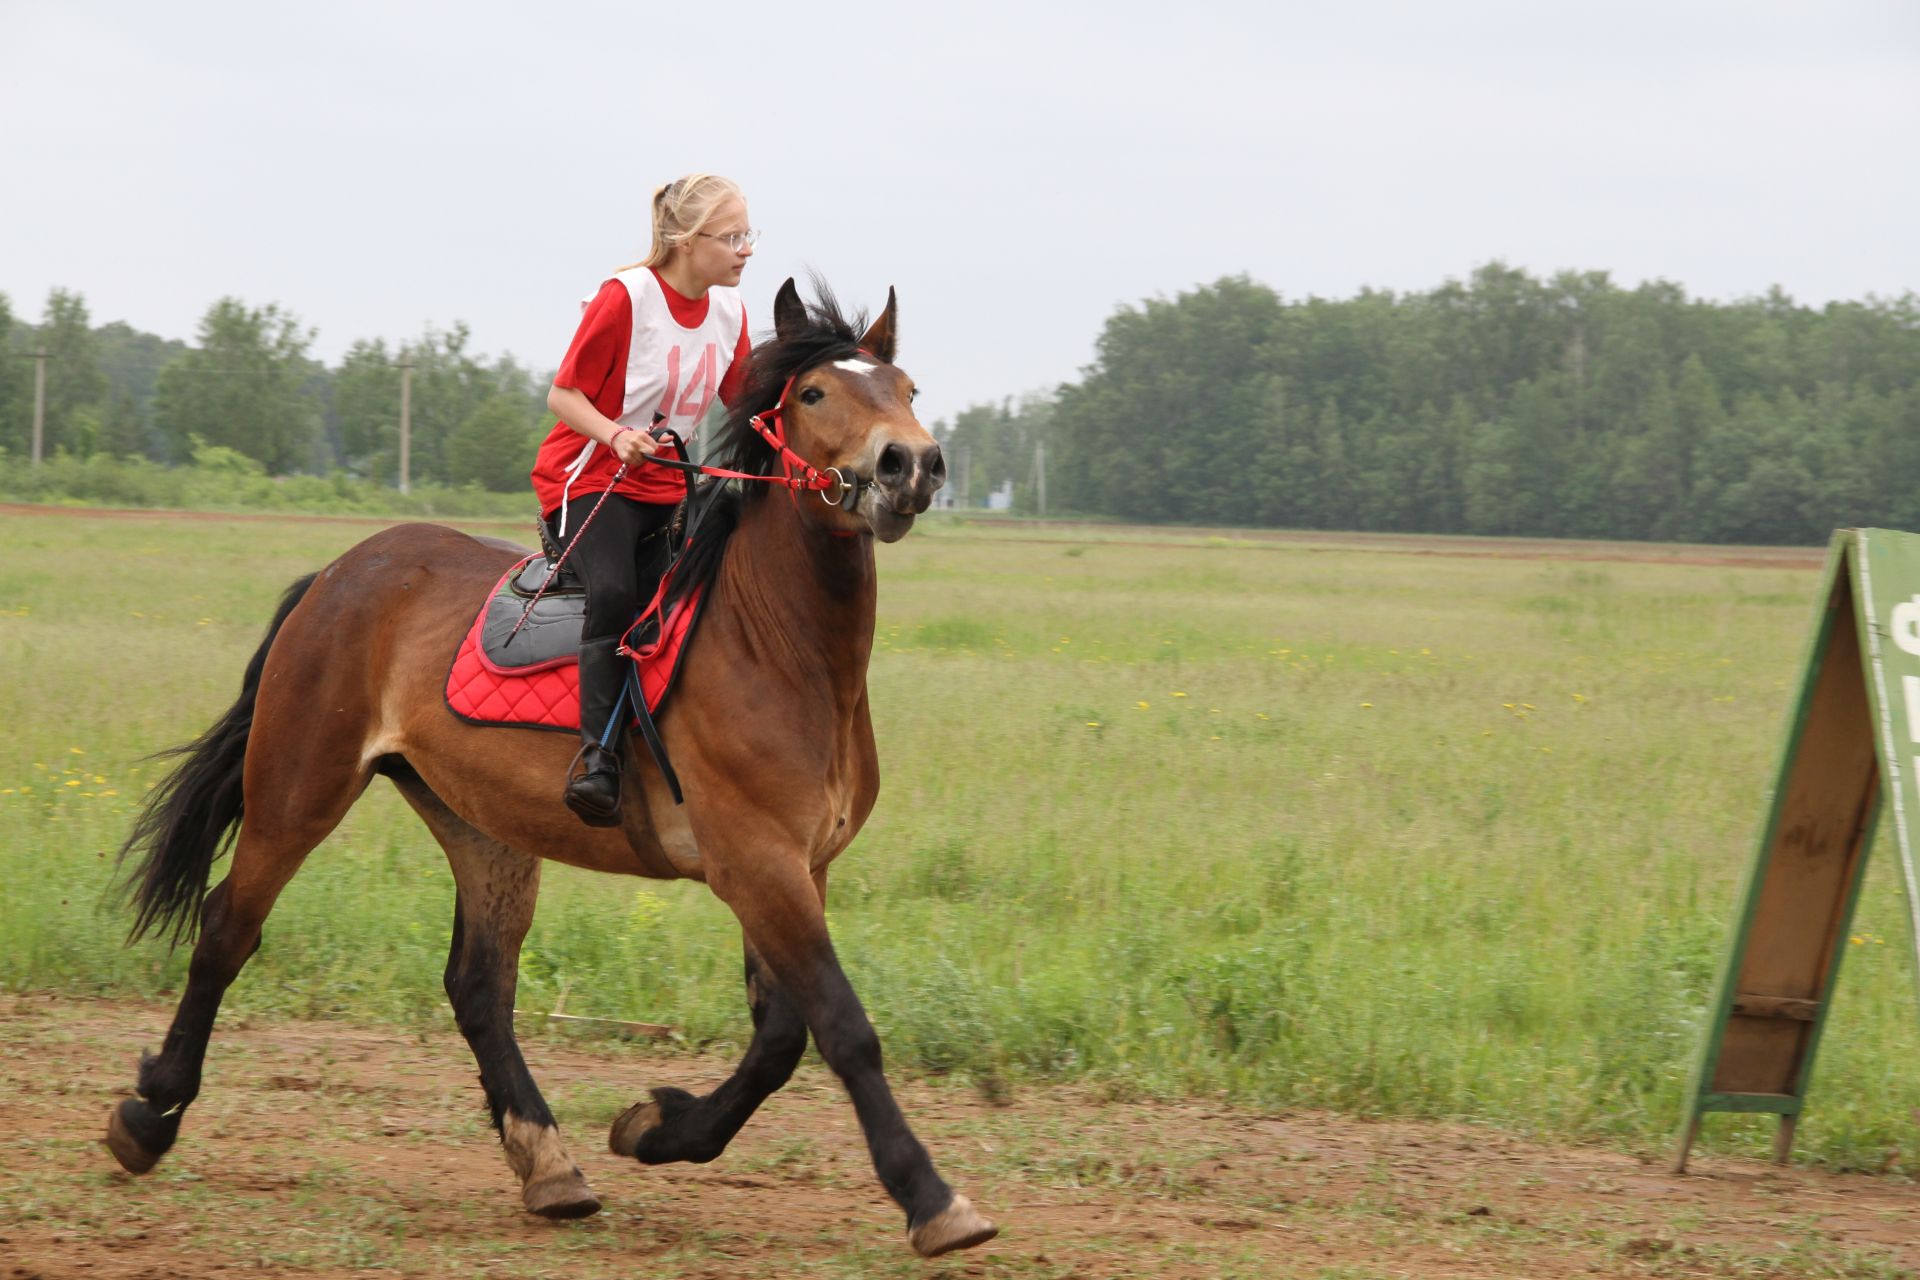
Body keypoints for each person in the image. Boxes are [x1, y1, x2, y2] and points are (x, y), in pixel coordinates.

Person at [530, 173, 756, 826]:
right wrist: (617, 436)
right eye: (734, 236)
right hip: (590, 483)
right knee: (619, 597)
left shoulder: (730, 313)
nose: (746, 250)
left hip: (669, 493)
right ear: (687, 241)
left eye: (750, 236)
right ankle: (598, 760)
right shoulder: (626, 298)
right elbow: (562, 396)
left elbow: (744, 406)